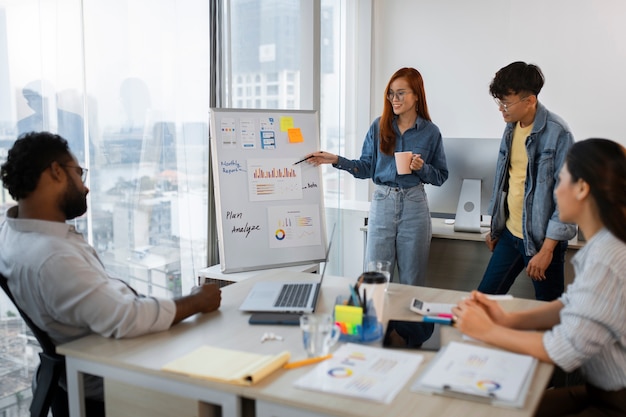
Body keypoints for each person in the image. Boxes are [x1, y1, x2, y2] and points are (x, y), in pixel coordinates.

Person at [0, 132, 222, 416]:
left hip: (92, 366)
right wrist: (198, 300)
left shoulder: (13, 230)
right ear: (55, 172)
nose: (85, 186)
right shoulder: (52, 257)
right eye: (79, 173)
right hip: (114, 379)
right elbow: (127, 318)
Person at [453, 138, 626, 417]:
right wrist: (507, 320)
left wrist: (486, 330)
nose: (556, 192)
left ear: (582, 188)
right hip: (602, 391)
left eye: (561, 181)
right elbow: (571, 305)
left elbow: (562, 349)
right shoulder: (604, 246)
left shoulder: (608, 258)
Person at [307, 67, 448, 286]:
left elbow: (440, 176)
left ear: (416, 94)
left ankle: (409, 322)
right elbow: (366, 168)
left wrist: (422, 168)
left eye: (401, 92)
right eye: (391, 93)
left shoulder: (430, 132)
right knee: (375, 279)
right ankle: (377, 321)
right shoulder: (379, 126)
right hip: (383, 202)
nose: (394, 98)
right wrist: (336, 159)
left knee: (412, 280)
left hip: (414, 205)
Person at [477, 61, 577, 301]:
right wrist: (495, 227)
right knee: (483, 301)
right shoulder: (511, 128)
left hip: (543, 242)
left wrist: (547, 250)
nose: (501, 109)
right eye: (498, 102)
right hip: (510, 236)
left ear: (530, 100)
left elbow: (566, 199)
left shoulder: (558, 133)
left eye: (505, 103)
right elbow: (505, 180)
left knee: (548, 312)